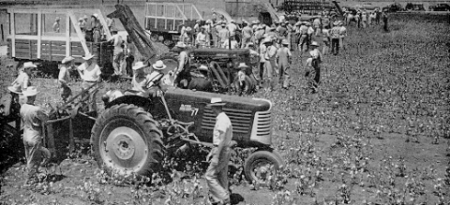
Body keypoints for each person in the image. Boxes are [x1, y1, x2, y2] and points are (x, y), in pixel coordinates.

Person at [20, 86, 51, 185]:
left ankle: (31, 176)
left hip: (25, 135)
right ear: (33, 97)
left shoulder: (23, 107)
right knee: (34, 160)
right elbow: (46, 119)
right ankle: (30, 180)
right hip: (34, 136)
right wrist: (47, 111)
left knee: (29, 158)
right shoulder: (36, 109)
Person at [205, 97, 233, 205]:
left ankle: (224, 198)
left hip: (221, 150)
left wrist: (216, 156)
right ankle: (222, 198)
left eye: (212, 108)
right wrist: (212, 151)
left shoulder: (222, 120)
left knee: (209, 175)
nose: (212, 110)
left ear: (215, 108)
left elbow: (221, 139)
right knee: (222, 175)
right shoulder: (224, 118)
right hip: (224, 149)